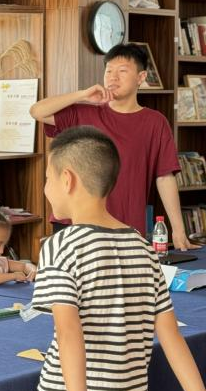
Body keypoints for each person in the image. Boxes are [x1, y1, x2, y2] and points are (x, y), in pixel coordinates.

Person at [32, 126, 206, 391]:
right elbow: (170, 334)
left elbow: (68, 332)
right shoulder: (143, 246)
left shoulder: (61, 245)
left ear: (67, 179)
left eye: (47, 179)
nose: (45, 188)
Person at [29, 43, 194, 250]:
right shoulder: (84, 113)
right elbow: (37, 111)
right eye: (109, 71)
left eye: (122, 71)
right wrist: (82, 95)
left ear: (141, 77)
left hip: (125, 228)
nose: (113, 77)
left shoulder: (155, 122)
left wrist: (178, 230)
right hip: (75, 226)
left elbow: (165, 177)